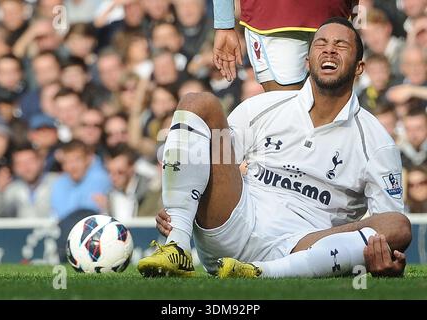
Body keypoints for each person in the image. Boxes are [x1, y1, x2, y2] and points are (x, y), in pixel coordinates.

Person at [138, 18, 411, 279]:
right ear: (307, 61)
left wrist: (387, 254)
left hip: (304, 245)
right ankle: (177, 246)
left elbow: (387, 224)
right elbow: (215, 161)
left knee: (397, 226)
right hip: (234, 223)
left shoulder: (377, 141)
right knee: (198, 102)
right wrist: (183, 203)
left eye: (341, 45)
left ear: (359, 67)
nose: (329, 49)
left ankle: (261, 273)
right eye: (321, 43)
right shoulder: (265, 107)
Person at [212, 0, 359, 91]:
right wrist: (224, 24)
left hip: (275, 17)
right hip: (276, 19)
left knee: (332, 111)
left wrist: (224, 24)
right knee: (284, 111)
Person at [51, 139, 111, 220]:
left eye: (77, 160)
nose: (72, 166)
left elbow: (89, 213)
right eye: (67, 162)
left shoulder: (101, 178)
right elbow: (59, 214)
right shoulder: (59, 183)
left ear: (88, 159)